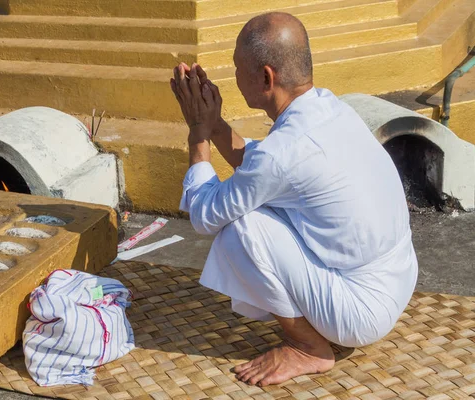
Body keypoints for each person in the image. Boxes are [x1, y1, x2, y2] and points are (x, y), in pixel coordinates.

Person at [170, 12, 418, 387]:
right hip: (398, 279)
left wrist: (198, 132)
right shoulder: (329, 108)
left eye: (238, 68)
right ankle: (314, 333)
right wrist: (217, 124)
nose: (234, 78)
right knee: (253, 199)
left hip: (359, 310)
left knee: (241, 224)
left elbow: (205, 214)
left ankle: (308, 347)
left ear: (266, 77)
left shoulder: (283, 152)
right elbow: (264, 170)